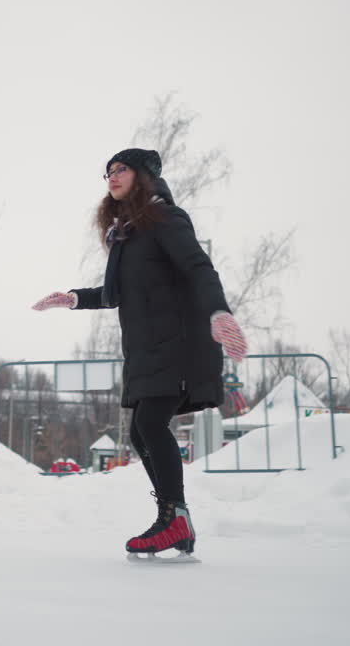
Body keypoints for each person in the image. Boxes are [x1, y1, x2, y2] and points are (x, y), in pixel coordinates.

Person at [32, 148, 247, 556]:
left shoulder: (166, 218)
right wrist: (75, 298)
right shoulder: (128, 234)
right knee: (141, 429)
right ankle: (175, 520)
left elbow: (200, 268)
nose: (112, 176)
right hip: (148, 348)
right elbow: (116, 294)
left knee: (149, 423)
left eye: (121, 169)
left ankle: (174, 519)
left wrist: (220, 313)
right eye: (108, 171)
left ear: (143, 175)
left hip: (179, 343)